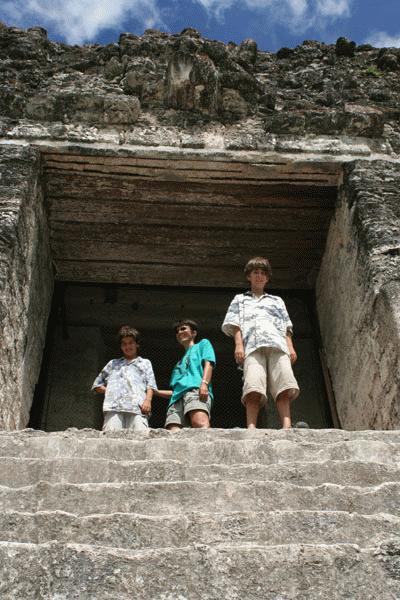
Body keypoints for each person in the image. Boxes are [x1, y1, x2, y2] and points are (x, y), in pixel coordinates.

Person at [222, 257, 299, 429]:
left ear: (267, 278)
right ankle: (251, 427)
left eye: (263, 273)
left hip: (277, 345)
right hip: (252, 346)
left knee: (284, 384)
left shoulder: (277, 300)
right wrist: (238, 345)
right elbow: (234, 324)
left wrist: (290, 346)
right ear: (248, 276)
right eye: (255, 272)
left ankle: (287, 426)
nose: (259, 276)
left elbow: (286, 325)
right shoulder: (240, 299)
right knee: (253, 386)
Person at [92, 325, 157, 432]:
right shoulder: (113, 363)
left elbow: (151, 385)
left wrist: (148, 401)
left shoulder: (145, 363)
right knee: (111, 439)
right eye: (124, 344)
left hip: (137, 408)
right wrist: (111, 390)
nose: (128, 346)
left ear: (137, 344)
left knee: (139, 438)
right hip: (114, 408)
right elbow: (97, 385)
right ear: (121, 347)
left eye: (131, 342)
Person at [155, 319, 216, 430]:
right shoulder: (178, 365)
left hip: (195, 391)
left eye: (183, 329)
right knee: (173, 433)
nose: (179, 332)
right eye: (177, 331)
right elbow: (175, 391)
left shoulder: (203, 344)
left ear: (194, 333)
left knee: (200, 424)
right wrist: (157, 392)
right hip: (176, 400)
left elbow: (209, 363)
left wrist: (204, 383)